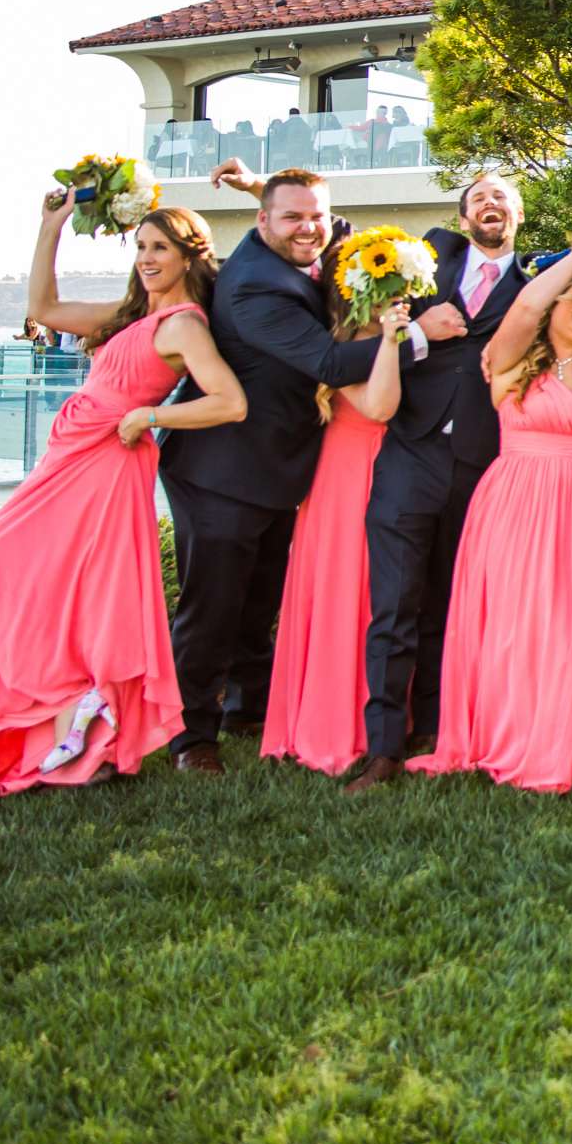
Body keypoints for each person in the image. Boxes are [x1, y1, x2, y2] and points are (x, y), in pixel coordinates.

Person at [0, 194, 246, 794]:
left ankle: (83, 727)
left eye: (161, 248)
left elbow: (229, 402)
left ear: (188, 256)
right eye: (141, 248)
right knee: (8, 584)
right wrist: (50, 226)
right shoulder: (132, 317)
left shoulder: (181, 324)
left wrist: (150, 415)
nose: (148, 259)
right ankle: (69, 722)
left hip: (103, 467)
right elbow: (44, 308)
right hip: (66, 460)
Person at [158, 166, 401, 774]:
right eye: (291, 217)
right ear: (262, 222)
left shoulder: (306, 240)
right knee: (211, 606)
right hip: (221, 468)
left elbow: (335, 224)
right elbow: (326, 358)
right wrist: (417, 334)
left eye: (314, 215)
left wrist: (265, 189)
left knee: (258, 596)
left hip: (276, 469)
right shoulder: (254, 286)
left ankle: (249, 707)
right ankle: (191, 737)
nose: (310, 228)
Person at [409, 235, 572, 793]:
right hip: (515, 499)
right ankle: (514, 732)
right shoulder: (510, 358)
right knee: (517, 624)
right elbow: (527, 306)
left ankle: (569, 732)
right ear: (555, 301)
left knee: (568, 620)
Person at [347, 172, 528, 793]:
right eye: (478, 197)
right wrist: (422, 332)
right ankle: (384, 749)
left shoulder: (535, 287)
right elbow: (373, 339)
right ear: (462, 218)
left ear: (520, 215)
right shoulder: (425, 262)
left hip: (482, 464)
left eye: (501, 196)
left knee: (452, 604)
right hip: (409, 453)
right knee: (395, 604)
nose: (489, 203)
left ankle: (438, 725)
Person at [257, 292, 412, 777]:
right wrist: (390, 340)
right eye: (383, 294)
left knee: (383, 595)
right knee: (345, 592)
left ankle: (391, 715)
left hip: (391, 472)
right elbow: (380, 407)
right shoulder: (341, 352)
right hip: (346, 478)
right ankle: (336, 722)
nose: (394, 303)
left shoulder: (404, 343)